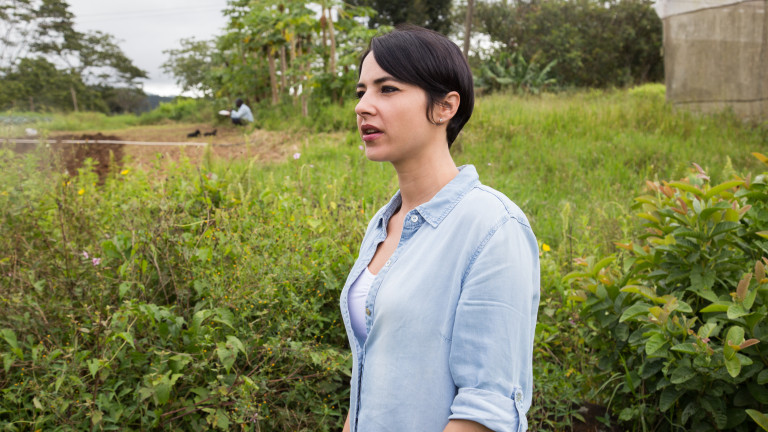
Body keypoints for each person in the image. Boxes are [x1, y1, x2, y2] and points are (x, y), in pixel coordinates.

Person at [339, 25, 540, 432]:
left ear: (445, 106)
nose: (363, 106)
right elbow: (368, 385)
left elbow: (486, 409)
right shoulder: (382, 224)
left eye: (387, 89)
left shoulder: (492, 226)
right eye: (362, 91)